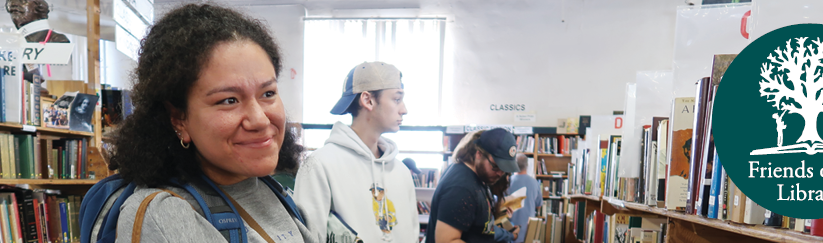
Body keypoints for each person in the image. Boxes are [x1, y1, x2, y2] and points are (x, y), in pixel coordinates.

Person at [106, 4, 315, 243]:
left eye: (267, 93)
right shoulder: (167, 214)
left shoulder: (271, 191)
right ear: (179, 118)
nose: (259, 119)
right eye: (229, 100)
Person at [294, 62, 416, 243]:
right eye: (397, 99)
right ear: (368, 100)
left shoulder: (401, 171)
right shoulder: (320, 165)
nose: (404, 110)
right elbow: (306, 239)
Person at [427, 128, 521, 243]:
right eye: (496, 166)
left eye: (504, 169)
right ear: (479, 154)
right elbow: (446, 241)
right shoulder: (461, 187)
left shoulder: (479, 177)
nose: (500, 174)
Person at [505, 154, 542, 243]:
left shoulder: (507, 182)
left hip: (510, 230)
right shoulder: (535, 183)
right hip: (528, 231)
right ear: (527, 165)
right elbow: (539, 206)